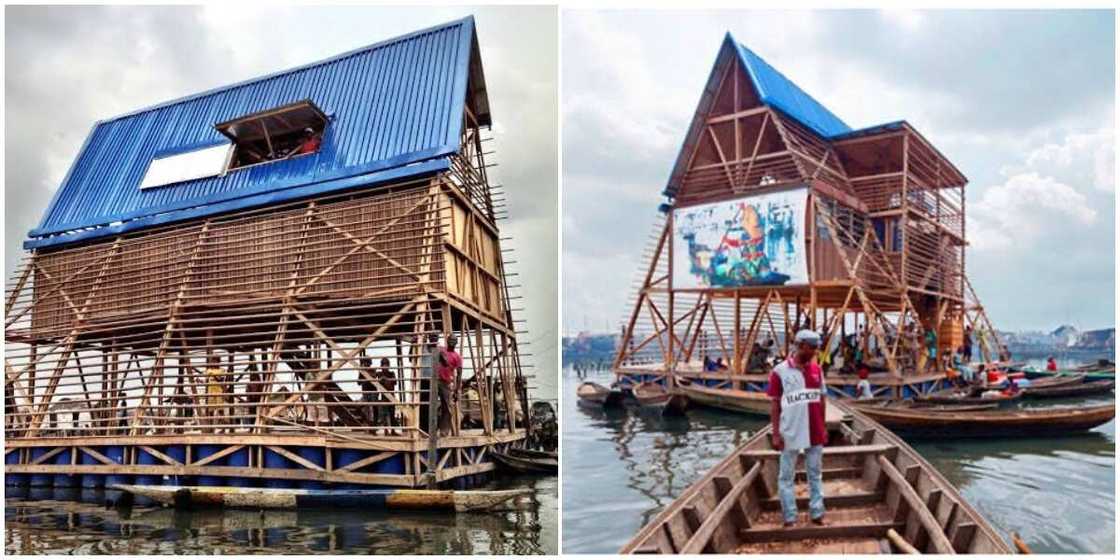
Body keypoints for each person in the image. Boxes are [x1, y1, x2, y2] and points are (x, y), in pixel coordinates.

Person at [767, 329, 828, 527]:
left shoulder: (817, 370)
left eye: (816, 348)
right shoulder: (780, 371)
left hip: (815, 429)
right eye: (812, 348)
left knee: (815, 474)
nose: (815, 352)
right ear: (801, 345)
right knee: (786, 476)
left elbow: (822, 398)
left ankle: (817, 514)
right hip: (789, 431)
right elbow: (775, 404)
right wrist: (776, 433)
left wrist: (823, 425)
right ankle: (790, 517)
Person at [436, 335, 463, 436]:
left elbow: (459, 374)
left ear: (456, 343)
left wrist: (457, 389)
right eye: (450, 340)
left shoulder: (457, 357)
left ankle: (444, 430)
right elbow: (432, 348)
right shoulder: (441, 349)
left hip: (446, 383)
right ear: (447, 341)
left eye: (454, 340)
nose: (452, 342)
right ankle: (431, 429)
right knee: (432, 406)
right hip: (435, 380)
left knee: (447, 407)